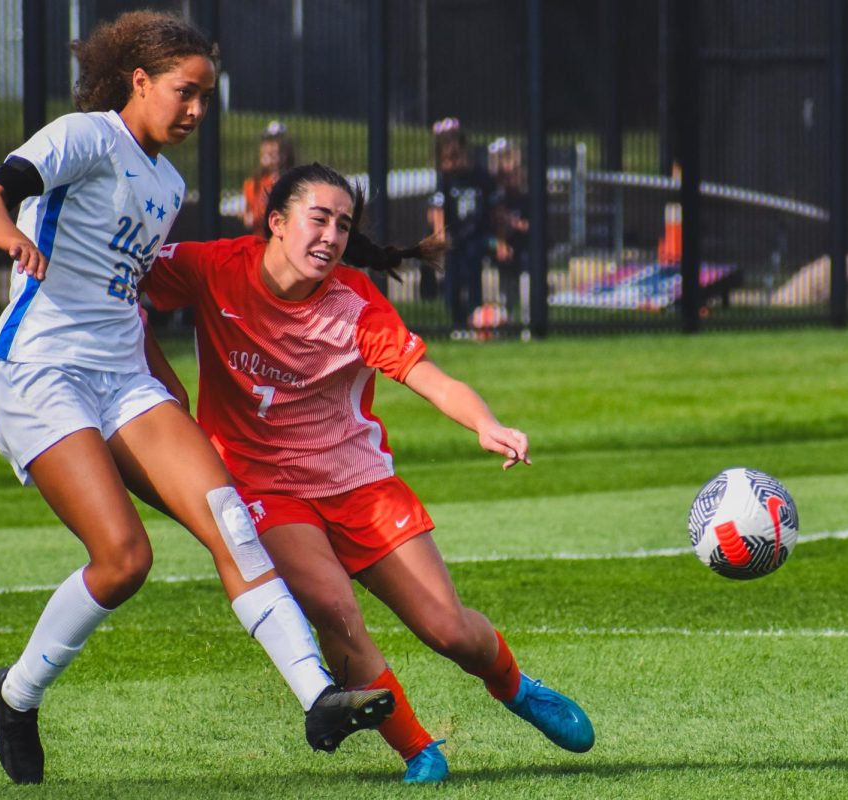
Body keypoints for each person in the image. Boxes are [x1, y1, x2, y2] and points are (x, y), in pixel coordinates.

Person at [0, 13, 392, 786]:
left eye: (206, 98)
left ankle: (317, 696)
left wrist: (165, 377)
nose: (196, 111)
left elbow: (127, 297)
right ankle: (16, 695)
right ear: (141, 80)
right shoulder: (81, 138)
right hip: (40, 373)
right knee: (124, 561)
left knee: (232, 519)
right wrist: (12, 239)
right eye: (185, 93)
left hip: (127, 381)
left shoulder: (168, 183)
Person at [141, 162, 595, 784]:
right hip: (265, 487)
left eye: (343, 224)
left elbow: (428, 377)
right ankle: (419, 751)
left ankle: (514, 686)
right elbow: (119, 281)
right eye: (318, 218)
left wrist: (485, 424)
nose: (330, 235)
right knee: (334, 609)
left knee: (449, 630)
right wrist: (159, 386)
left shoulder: (355, 305)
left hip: (360, 485)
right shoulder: (211, 266)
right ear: (276, 223)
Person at [426, 118, 498, 335]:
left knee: (474, 276)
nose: (451, 164)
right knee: (453, 281)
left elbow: (494, 208)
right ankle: (456, 323)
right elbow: (437, 208)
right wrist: (440, 234)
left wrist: (498, 236)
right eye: (446, 159)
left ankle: (475, 320)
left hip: (476, 235)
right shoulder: (445, 179)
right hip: (454, 238)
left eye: (455, 157)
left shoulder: (480, 176)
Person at [487, 137, 530, 324]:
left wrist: (517, 225)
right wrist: (501, 243)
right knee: (506, 280)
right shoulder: (498, 197)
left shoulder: (526, 196)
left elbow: (530, 225)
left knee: (526, 276)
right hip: (506, 246)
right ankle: (506, 318)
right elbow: (496, 224)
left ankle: (529, 320)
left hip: (525, 246)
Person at [241, 120, 296, 236]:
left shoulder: (289, 182)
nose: (271, 158)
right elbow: (248, 217)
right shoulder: (252, 183)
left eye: (275, 154)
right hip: (259, 239)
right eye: (267, 153)